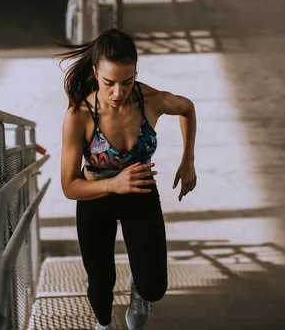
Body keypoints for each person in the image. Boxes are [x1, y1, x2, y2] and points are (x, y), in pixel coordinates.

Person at [56, 28, 198, 330]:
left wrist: (188, 160)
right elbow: (69, 186)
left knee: (154, 287)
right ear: (95, 73)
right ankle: (103, 326)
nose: (118, 92)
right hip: (95, 199)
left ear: (136, 72)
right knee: (101, 285)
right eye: (109, 83)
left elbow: (187, 108)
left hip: (140, 194)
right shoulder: (79, 115)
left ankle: (139, 291)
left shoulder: (151, 100)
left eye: (127, 81)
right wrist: (112, 184)